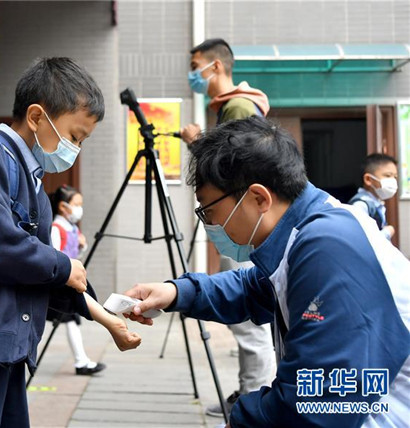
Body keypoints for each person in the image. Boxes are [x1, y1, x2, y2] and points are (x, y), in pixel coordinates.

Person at [124, 117, 410, 428]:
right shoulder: (306, 229)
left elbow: (317, 403)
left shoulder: (327, 246)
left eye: (209, 210)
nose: (210, 224)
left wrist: (240, 420)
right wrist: (177, 292)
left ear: (259, 198)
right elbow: (254, 287)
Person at [0, 57, 140, 428]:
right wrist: (63, 266)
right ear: (36, 117)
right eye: (74, 136)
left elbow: (41, 271)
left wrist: (108, 319)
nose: (75, 148)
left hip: (3, 348)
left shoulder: (29, 177)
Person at [182, 38, 276, 417]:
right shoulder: (236, 105)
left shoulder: (238, 106)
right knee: (248, 318)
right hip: (242, 222)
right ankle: (250, 393)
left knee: (250, 321)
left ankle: (254, 401)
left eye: (196, 66)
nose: (193, 75)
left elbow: (232, 170)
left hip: (241, 224)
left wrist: (197, 144)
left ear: (216, 66)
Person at [47, 184, 106, 375]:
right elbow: (55, 256)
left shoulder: (72, 229)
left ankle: (82, 362)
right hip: (59, 285)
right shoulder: (56, 228)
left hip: (68, 283)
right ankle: (82, 362)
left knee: (71, 321)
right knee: (70, 320)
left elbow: (75, 256)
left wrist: (82, 246)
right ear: (63, 207)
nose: (79, 209)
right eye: (76, 204)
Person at [348, 153, 398, 241]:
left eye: (395, 177)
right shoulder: (360, 205)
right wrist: (387, 232)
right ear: (368, 179)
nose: (393, 180)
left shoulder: (376, 203)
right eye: (387, 175)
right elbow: (361, 240)